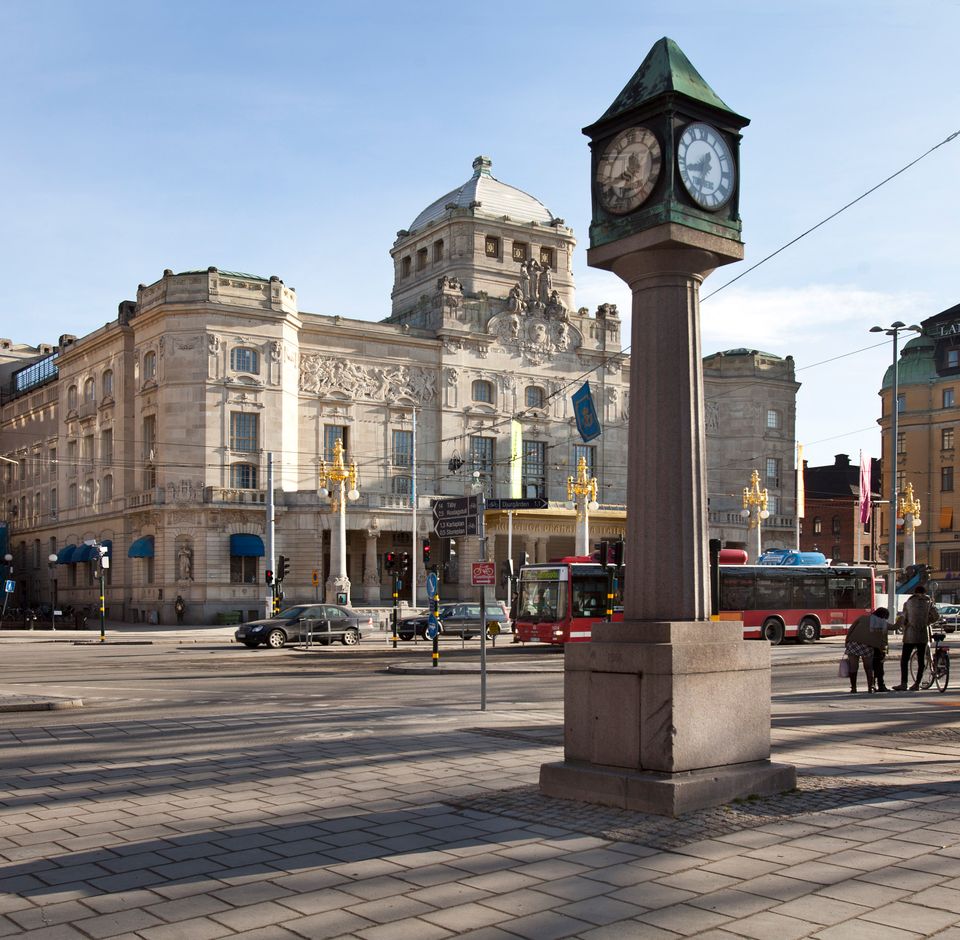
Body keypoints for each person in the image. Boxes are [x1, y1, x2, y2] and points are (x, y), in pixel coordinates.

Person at [894, 585, 940, 691]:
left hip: (910, 634)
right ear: (925, 593)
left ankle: (904, 683)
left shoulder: (908, 602)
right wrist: (927, 622)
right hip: (923, 634)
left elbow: (904, 617)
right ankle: (917, 684)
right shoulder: (929, 603)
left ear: (915, 592)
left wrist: (905, 625)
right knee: (921, 660)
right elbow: (936, 616)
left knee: (904, 659)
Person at [844, 606, 888, 693]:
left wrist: (847, 641)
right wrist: (883, 651)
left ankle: (853, 688)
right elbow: (881, 639)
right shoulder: (881, 624)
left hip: (853, 643)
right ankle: (870, 687)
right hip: (867, 646)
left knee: (853, 667)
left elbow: (851, 629)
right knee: (868, 667)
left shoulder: (862, 618)